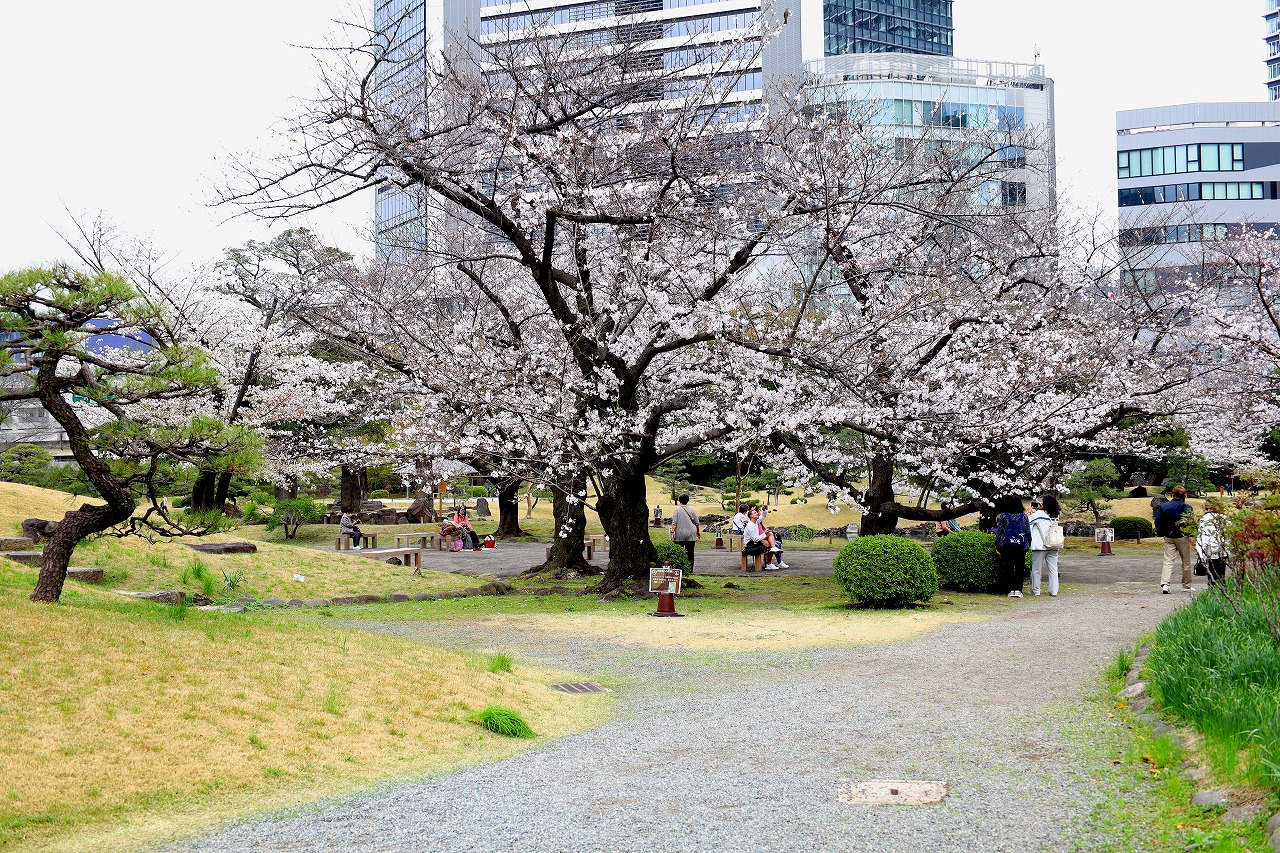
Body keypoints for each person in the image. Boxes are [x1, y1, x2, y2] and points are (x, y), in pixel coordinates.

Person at [1154, 484, 1194, 593]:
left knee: (1168, 560)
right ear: (1184, 495)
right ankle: (1187, 585)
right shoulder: (1187, 507)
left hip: (1168, 535)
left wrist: (1161, 532)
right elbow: (1190, 522)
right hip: (1182, 536)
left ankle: (1165, 584)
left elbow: (1157, 521)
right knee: (1186, 561)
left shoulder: (1164, 506)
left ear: (1173, 494)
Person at [992, 496, 1031, 598]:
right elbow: (1027, 533)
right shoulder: (1024, 517)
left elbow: (1000, 532)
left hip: (1007, 546)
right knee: (1019, 568)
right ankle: (1018, 590)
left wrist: (998, 546)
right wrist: (1027, 547)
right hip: (1020, 546)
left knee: (1008, 568)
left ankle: (1010, 590)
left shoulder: (1003, 516)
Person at [1028, 494, 1063, 597]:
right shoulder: (1055, 515)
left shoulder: (1038, 514)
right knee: (1053, 569)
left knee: (1036, 569)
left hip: (1040, 546)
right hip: (1053, 545)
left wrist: (1029, 512)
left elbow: (1027, 522)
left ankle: (1036, 590)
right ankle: (1054, 591)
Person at [1195, 500, 1229, 588]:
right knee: (1221, 573)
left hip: (1210, 549)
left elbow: (1202, 536)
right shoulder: (1225, 518)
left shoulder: (1204, 518)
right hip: (1222, 549)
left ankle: (1212, 588)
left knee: (1212, 573)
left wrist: (1201, 552)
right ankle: (1222, 589)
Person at [670, 494, 701, 571]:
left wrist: (672, 532)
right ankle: (690, 569)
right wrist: (697, 531)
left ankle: (679, 568)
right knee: (690, 552)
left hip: (679, 533)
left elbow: (674, 523)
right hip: (691, 533)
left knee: (679, 551)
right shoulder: (692, 509)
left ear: (679, 500)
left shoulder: (677, 510)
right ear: (688, 500)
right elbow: (697, 522)